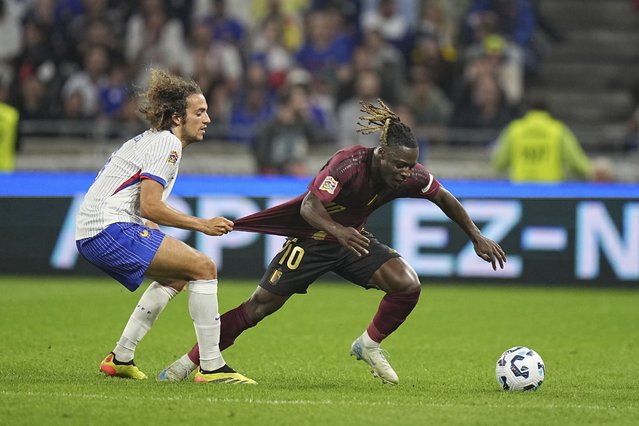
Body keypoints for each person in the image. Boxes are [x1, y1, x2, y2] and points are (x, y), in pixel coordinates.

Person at [159, 99, 507, 385]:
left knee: (406, 285)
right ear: (381, 154)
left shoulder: (408, 173)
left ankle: (368, 345)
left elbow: (443, 196)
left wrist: (476, 236)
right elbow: (310, 207)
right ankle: (189, 363)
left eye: (411, 166)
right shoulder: (347, 164)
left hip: (351, 239)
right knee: (259, 307)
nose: (407, 173)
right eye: (401, 165)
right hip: (315, 237)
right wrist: (339, 232)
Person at [74, 69, 255, 384]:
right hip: (108, 228)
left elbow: (142, 201)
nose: (207, 119)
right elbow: (150, 204)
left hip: (97, 229)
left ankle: (121, 358)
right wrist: (202, 224)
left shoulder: (155, 141)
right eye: (199, 112)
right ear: (176, 118)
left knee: (176, 277)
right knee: (204, 266)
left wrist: (151, 227)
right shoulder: (167, 145)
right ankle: (211, 367)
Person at [491, 101, 595, 182]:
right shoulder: (558, 130)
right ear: (548, 112)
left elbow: (499, 163)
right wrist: (594, 171)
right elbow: (577, 163)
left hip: (521, 191)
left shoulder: (514, 129)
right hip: (550, 192)